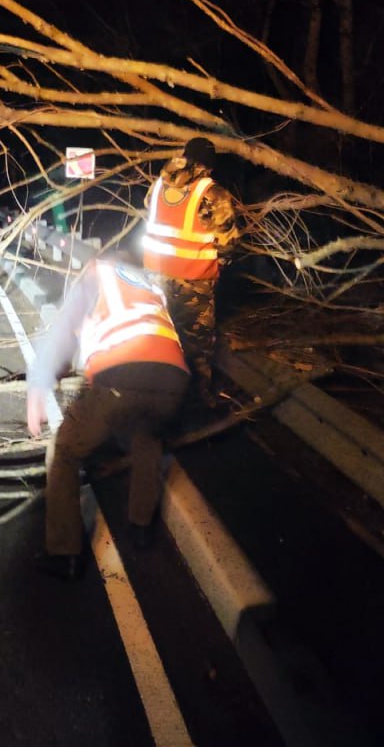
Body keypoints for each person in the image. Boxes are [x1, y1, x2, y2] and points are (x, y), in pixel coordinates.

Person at [25, 254, 190, 581]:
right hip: (173, 381)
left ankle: (64, 553)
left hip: (121, 373)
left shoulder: (95, 271)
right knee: (148, 439)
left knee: (65, 451)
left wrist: (40, 385)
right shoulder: (148, 284)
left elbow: (63, 331)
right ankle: (141, 527)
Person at [141, 137, 241, 404]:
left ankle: (154, 397)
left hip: (155, 277)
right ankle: (196, 402)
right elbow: (228, 241)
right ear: (209, 164)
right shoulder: (212, 193)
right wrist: (222, 264)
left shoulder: (158, 185)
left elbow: (150, 214)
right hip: (194, 281)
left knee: (161, 336)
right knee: (196, 346)